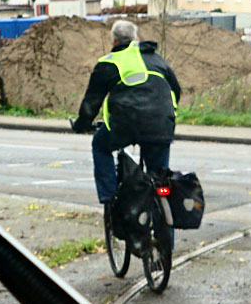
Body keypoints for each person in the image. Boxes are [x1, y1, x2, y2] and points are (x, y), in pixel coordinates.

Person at [73, 20, 181, 207]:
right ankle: (165, 224)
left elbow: (92, 101)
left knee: (100, 145)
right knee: (160, 177)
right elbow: (176, 90)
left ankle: (110, 197)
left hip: (125, 124)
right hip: (161, 124)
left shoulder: (108, 63)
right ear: (136, 38)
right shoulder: (157, 59)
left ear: (114, 41)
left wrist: (82, 124)